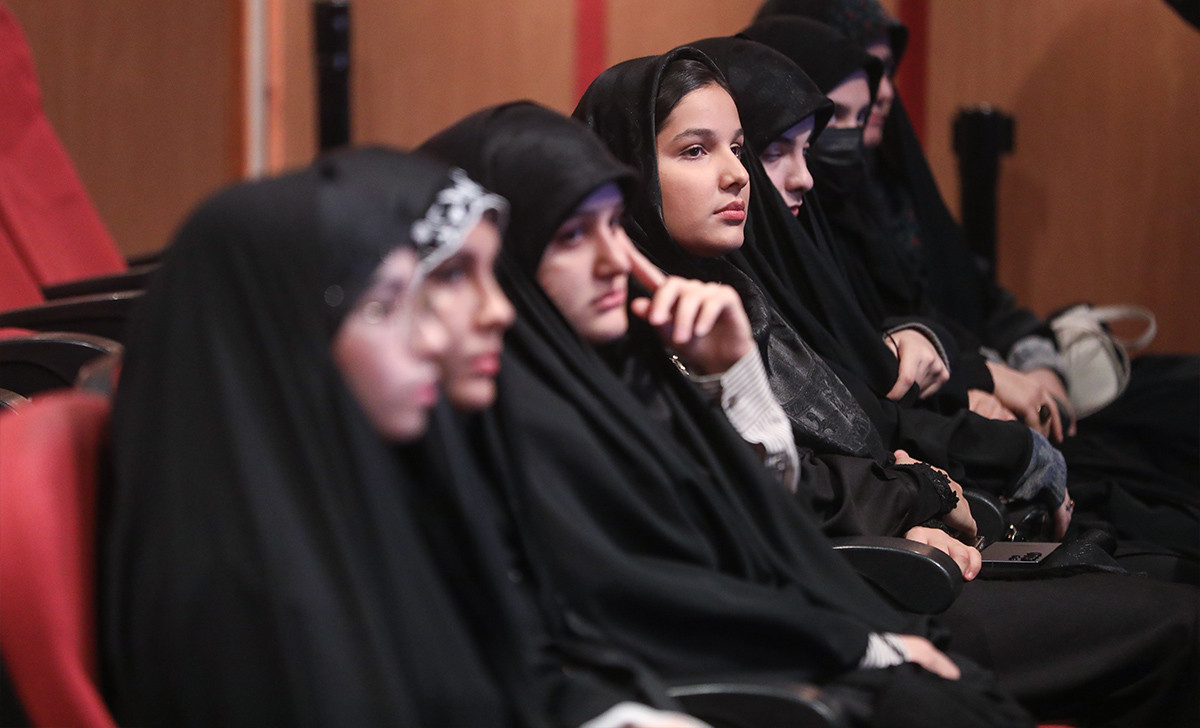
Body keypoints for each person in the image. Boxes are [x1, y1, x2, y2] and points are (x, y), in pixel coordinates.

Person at [574, 49, 1199, 726]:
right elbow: (752, 499)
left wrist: (912, 488)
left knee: (1156, 567)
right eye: (696, 151)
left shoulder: (730, 287)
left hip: (855, 571)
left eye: (739, 148)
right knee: (1172, 621)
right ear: (624, 172)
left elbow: (810, 453)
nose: (737, 174)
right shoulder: (627, 329)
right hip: (803, 607)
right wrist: (914, 493)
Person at [420, 101, 1035, 728]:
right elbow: (637, 607)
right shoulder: (503, 412)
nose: (614, 260)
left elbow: (752, 522)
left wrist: (732, 374)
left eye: (612, 225)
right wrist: (858, 645)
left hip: (777, 639)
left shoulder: (615, 361)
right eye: (573, 236)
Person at [100, 147, 707, 727]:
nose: (432, 338)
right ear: (287, 339)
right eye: (386, 306)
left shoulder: (354, 492)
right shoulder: (241, 606)